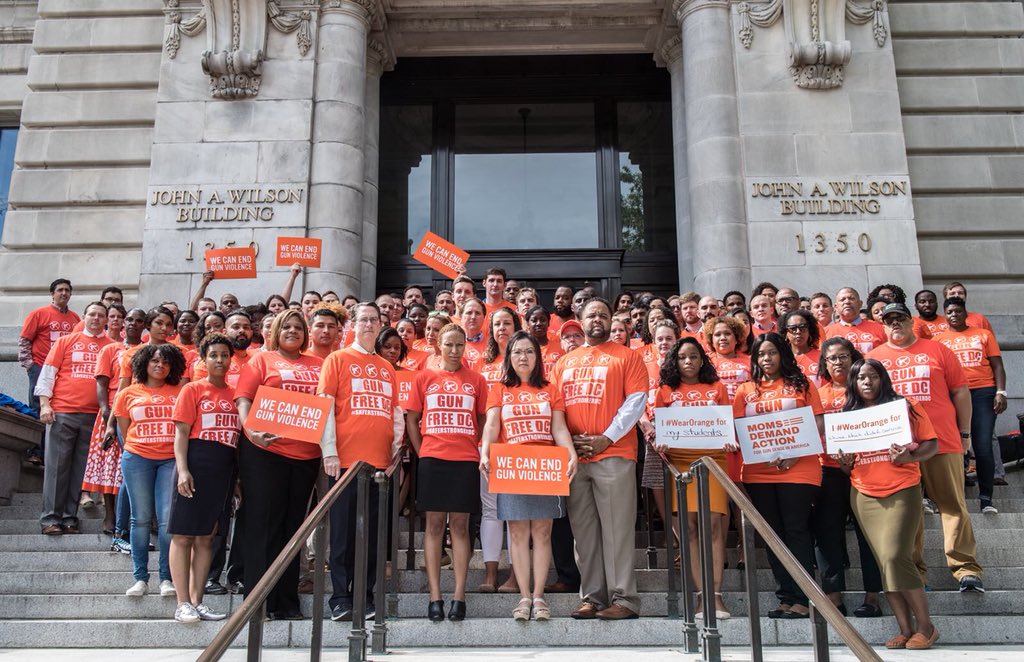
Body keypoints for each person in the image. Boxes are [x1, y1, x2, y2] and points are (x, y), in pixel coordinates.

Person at [867, 302, 983, 591]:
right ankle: (915, 575)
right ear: (882, 325)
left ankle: (965, 569)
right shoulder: (874, 359)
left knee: (952, 505)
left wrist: (965, 434)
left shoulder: (938, 350)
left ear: (911, 321)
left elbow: (960, 392)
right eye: (889, 319)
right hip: (897, 448)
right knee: (909, 513)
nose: (895, 323)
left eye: (900, 318)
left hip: (942, 441)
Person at [834, 359, 940, 650]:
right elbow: (848, 467)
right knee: (884, 564)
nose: (867, 382)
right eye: (860, 378)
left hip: (902, 489)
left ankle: (927, 628)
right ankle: (906, 630)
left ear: (883, 379)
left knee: (896, 557)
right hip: (863, 493)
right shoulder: (847, 416)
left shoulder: (906, 406)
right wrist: (844, 464)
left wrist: (907, 457)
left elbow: (932, 445)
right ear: (853, 384)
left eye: (873, 377)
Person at [555, 298, 648, 620]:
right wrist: (569, 444)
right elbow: (556, 409)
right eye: (591, 314)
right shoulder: (563, 362)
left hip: (614, 454)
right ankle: (593, 597)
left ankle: (624, 599)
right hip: (576, 460)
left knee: (617, 530)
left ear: (612, 321)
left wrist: (605, 438)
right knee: (584, 534)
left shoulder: (627, 356)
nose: (598, 319)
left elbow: (635, 403)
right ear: (580, 320)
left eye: (603, 315)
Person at [234, 309, 328, 620]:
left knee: (293, 530)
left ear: (307, 334)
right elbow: (243, 399)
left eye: (298, 328)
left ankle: (287, 602)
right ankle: (258, 602)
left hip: (305, 456)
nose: (292, 331)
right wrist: (250, 430)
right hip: (265, 452)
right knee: (264, 526)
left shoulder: (320, 364)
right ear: (275, 331)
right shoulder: (261, 360)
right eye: (286, 326)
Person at [479, 331, 578, 621]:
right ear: (509, 358)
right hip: (512, 466)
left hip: (545, 467)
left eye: (529, 351)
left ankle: (539, 597)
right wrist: (485, 453)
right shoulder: (500, 389)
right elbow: (491, 425)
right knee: (519, 533)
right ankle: (523, 597)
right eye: (517, 352)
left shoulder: (551, 388)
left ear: (538, 356)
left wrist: (571, 453)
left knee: (543, 533)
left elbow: (559, 428)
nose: (523, 357)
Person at [317, 302, 403, 622]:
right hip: (345, 462)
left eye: (374, 320)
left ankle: (365, 596)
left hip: (380, 465)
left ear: (381, 325)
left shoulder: (387, 367)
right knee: (342, 535)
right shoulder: (337, 360)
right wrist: (329, 450)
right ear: (352, 324)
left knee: (373, 537)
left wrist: (396, 452)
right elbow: (325, 406)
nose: (369, 324)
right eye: (363, 319)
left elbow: (395, 413)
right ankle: (340, 598)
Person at [733, 332, 824, 619]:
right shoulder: (745, 390)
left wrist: (795, 452)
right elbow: (739, 428)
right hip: (759, 472)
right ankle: (786, 597)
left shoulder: (802, 384)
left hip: (799, 469)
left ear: (783, 354)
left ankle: (804, 598)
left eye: (772, 352)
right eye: (761, 354)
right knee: (772, 536)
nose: (766, 359)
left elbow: (818, 422)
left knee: (796, 531)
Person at [406, 323, 489, 622]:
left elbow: (481, 418)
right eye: (449, 345)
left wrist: (468, 443)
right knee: (434, 527)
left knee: (461, 528)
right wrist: (422, 451)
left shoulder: (477, 380)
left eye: (460, 345)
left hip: (465, 459)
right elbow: (413, 419)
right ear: (438, 346)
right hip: (433, 459)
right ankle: (435, 596)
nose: (455, 351)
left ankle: (459, 596)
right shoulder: (424, 377)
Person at [651, 337, 732, 619]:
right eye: (682, 357)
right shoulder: (665, 391)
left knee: (712, 527)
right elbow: (658, 426)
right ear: (674, 361)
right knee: (689, 530)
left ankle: (717, 596)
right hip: (680, 464)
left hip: (712, 462)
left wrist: (728, 440)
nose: (688, 362)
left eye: (694, 357)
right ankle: (701, 597)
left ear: (702, 360)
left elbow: (726, 424)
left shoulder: (717, 388)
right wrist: (660, 441)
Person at [168, 333, 239, 623]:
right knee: (183, 535)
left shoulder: (236, 394)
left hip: (224, 467)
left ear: (231, 359)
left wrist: (236, 481)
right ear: (203, 359)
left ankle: (198, 602)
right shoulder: (193, 389)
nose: (219, 360)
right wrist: (183, 469)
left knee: (208, 537)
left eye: (224, 355)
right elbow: (181, 433)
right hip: (196, 461)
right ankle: (181, 602)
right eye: (214, 355)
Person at [813, 338, 884, 618]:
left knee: (868, 535)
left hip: (865, 469)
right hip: (827, 470)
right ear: (825, 364)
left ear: (854, 359)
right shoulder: (816, 393)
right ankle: (833, 597)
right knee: (826, 533)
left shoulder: (869, 392)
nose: (838, 362)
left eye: (844, 356)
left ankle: (872, 596)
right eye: (832, 358)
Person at [115, 343, 188, 597]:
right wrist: (139, 448)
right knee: (140, 518)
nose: (160, 366)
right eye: (155, 361)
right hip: (137, 459)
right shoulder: (128, 393)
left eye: (166, 362)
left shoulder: (181, 391)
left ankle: (166, 578)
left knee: (168, 520)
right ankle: (140, 578)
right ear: (144, 363)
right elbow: (124, 430)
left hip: (170, 460)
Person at [36, 301, 113, 535]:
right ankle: (51, 518)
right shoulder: (65, 342)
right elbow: (48, 374)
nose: (96, 318)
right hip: (63, 412)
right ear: (84, 317)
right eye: (92, 314)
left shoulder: (112, 347)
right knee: (57, 468)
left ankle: (70, 518)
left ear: (106, 320)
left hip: (95, 418)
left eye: (101, 315)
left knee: (81, 471)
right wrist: (44, 404)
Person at [934, 297, 1006, 513]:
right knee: (954, 447)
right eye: (949, 312)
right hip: (952, 394)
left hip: (983, 392)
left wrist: (1001, 392)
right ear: (944, 316)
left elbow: (998, 365)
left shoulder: (983, 334)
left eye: (957, 311)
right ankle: (954, 498)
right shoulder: (938, 340)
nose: (953, 315)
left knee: (982, 444)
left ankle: (986, 499)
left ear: (966, 313)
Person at [85, 306, 144, 539]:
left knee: (133, 468)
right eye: (129, 319)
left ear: (144, 325)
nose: (132, 323)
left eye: (139, 320)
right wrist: (105, 410)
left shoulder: (148, 349)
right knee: (110, 468)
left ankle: (137, 518)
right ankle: (110, 515)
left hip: (140, 415)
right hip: (111, 413)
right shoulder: (110, 349)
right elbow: (101, 382)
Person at [475, 306, 521, 592]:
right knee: (490, 510)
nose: (501, 328)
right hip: (490, 447)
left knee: (516, 513)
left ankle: (516, 576)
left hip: (520, 447)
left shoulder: (525, 360)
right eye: (496, 324)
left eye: (507, 323)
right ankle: (490, 575)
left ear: (517, 327)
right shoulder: (484, 364)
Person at [20, 278, 80, 463]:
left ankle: (49, 455)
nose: (64, 293)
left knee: (58, 411)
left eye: (67, 290)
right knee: (38, 407)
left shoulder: (76, 318)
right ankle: (35, 452)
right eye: (60, 290)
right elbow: (24, 341)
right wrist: (30, 366)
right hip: (40, 367)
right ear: (52, 293)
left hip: (63, 372)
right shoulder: (38, 314)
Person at [824, 288, 886, 353]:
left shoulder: (880, 329)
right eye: (842, 300)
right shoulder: (825, 333)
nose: (847, 302)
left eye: (851, 298)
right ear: (836, 307)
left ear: (860, 303)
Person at [780, 309, 822, 386]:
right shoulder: (781, 359)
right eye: (793, 328)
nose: (798, 331)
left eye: (803, 327)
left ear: (810, 331)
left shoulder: (822, 357)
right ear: (786, 333)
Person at [459, 298, 488, 368]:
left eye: (477, 313)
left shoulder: (492, 344)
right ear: (461, 316)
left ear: (484, 317)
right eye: (469, 313)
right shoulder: (451, 343)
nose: (473, 317)